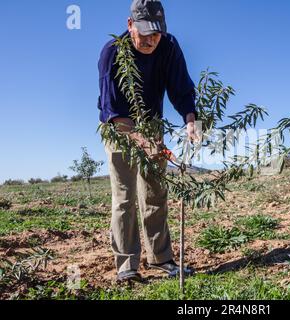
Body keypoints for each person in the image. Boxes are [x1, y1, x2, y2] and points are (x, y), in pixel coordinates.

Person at [97, 0, 196, 282]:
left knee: (155, 193)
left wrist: (191, 121)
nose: (151, 40)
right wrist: (144, 142)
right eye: (144, 33)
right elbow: (112, 111)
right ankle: (127, 265)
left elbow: (182, 88)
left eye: (157, 33)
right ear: (130, 26)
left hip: (153, 124)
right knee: (124, 196)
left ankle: (161, 259)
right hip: (119, 129)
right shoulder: (112, 52)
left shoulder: (169, 46)